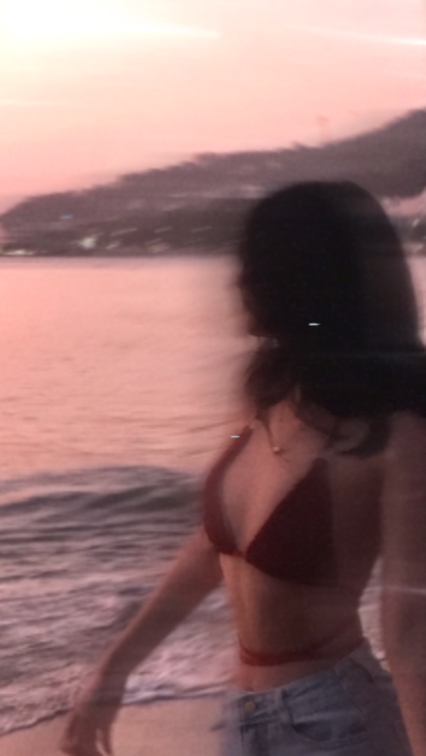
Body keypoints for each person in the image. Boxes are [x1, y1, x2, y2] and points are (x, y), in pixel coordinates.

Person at [61, 182, 426, 756]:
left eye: (256, 268)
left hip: (336, 724)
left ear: (304, 282)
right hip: (243, 718)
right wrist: (115, 669)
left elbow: (409, 632)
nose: (238, 283)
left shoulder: (397, 434)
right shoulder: (263, 399)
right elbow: (213, 546)